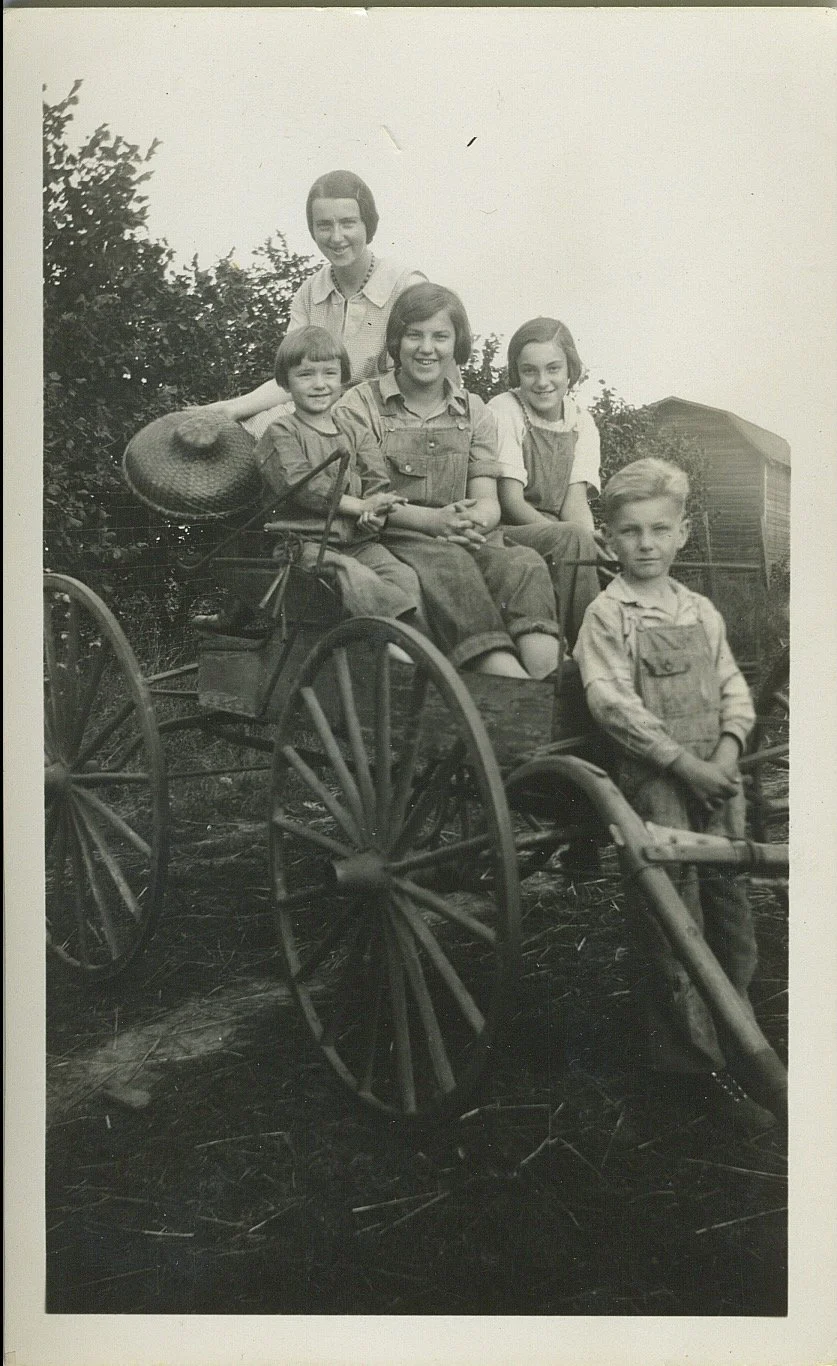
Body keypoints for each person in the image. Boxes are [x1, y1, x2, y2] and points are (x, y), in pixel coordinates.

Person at [574, 457, 775, 1131]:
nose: (646, 544)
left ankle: (739, 1029)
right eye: (629, 532)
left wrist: (725, 752)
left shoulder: (699, 610)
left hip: (716, 781)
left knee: (728, 908)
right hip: (657, 784)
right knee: (672, 917)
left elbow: (731, 689)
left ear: (682, 533)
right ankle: (693, 1067)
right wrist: (681, 764)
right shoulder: (608, 615)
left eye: (659, 529)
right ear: (608, 541)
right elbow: (610, 704)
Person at [337, 283, 562, 679]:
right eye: (414, 335)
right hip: (394, 536)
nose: (427, 348)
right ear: (395, 341)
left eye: (440, 336)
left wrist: (474, 522)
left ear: (456, 343)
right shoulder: (361, 405)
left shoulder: (473, 410)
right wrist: (435, 524)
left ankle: (547, 674)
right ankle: (497, 668)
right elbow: (363, 498)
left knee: (522, 562)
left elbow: (487, 499)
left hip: (459, 533)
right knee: (450, 563)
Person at [200, 327, 424, 648]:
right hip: (303, 545)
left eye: (330, 373)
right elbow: (302, 485)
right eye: (305, 375)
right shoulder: (282, 432)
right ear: (285, 383)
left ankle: (410, 644)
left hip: (357, 540)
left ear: (343, 378)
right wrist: (358, 506)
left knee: (403, 576)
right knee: (354, 575)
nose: (320, 384)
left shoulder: (354, 429)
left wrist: (374, 511)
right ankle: (391, 647)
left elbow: (376, 476)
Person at [206, 171, 426, 431]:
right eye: (324, 225)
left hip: (395, 415)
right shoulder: (309, 294)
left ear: (368, 224)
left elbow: (420, 379)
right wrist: (230, 408)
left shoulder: (406, 286)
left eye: (348, 223)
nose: (336, 237)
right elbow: (293, 378)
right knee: (251, 430)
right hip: (324, 408)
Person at [488, 317, 602, 650]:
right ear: (516, 373)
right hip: (506, 531)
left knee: (601, 549)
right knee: (574, 539)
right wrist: (573, 537)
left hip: (555, 533)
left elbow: (575, 503)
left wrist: (588, 540)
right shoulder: (504, 410)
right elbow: (510, 502)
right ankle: (591, 649)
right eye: (530, 371)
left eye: (553, 369)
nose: (543, 382)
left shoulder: (582, 422)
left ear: (570, 371)